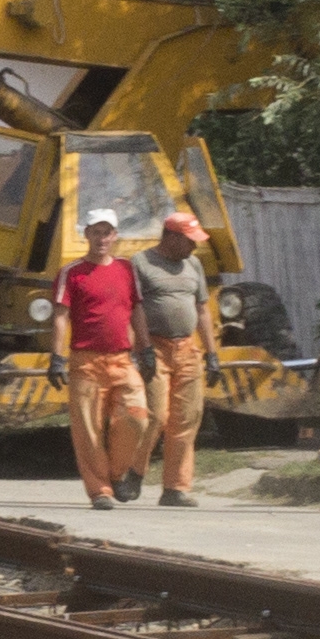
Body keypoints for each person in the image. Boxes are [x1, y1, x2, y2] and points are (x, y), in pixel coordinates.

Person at [50, 210, 150, 510]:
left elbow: (137, 311)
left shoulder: (126, 269)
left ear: (115, 236)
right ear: (87, 235)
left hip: (122, 360)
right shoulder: (72, 273)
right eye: (96, 232)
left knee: (137, 417)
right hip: (86, 362)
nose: (102, 238)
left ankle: (118, 474)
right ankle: (100, 491)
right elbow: (60, 317)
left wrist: (146, 348)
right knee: (89, 431)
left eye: (107, 232)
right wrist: (56, 357)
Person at [137, 209, 215, 508]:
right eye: (189, 240)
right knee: (155, 415)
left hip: (187, 349)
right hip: (155, 347)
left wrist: (212, 354)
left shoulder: (193, 264)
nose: (195, 246)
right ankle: (133, 472)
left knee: (186, 419)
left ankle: (176, 488)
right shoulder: (141, 263)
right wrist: (142, 349)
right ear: (171, 237)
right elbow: (135, 310)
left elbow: (204, 310)